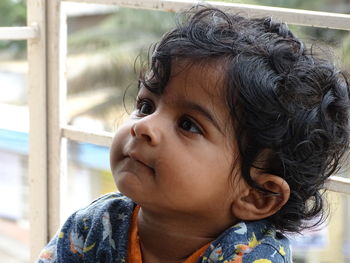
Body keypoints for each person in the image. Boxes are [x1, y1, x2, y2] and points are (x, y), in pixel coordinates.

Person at [36, 6, 350, 263]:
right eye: (146, 105)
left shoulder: (253, 258)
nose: (144, 126)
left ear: (257, 196)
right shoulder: (96, 224)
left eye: (188, 124)